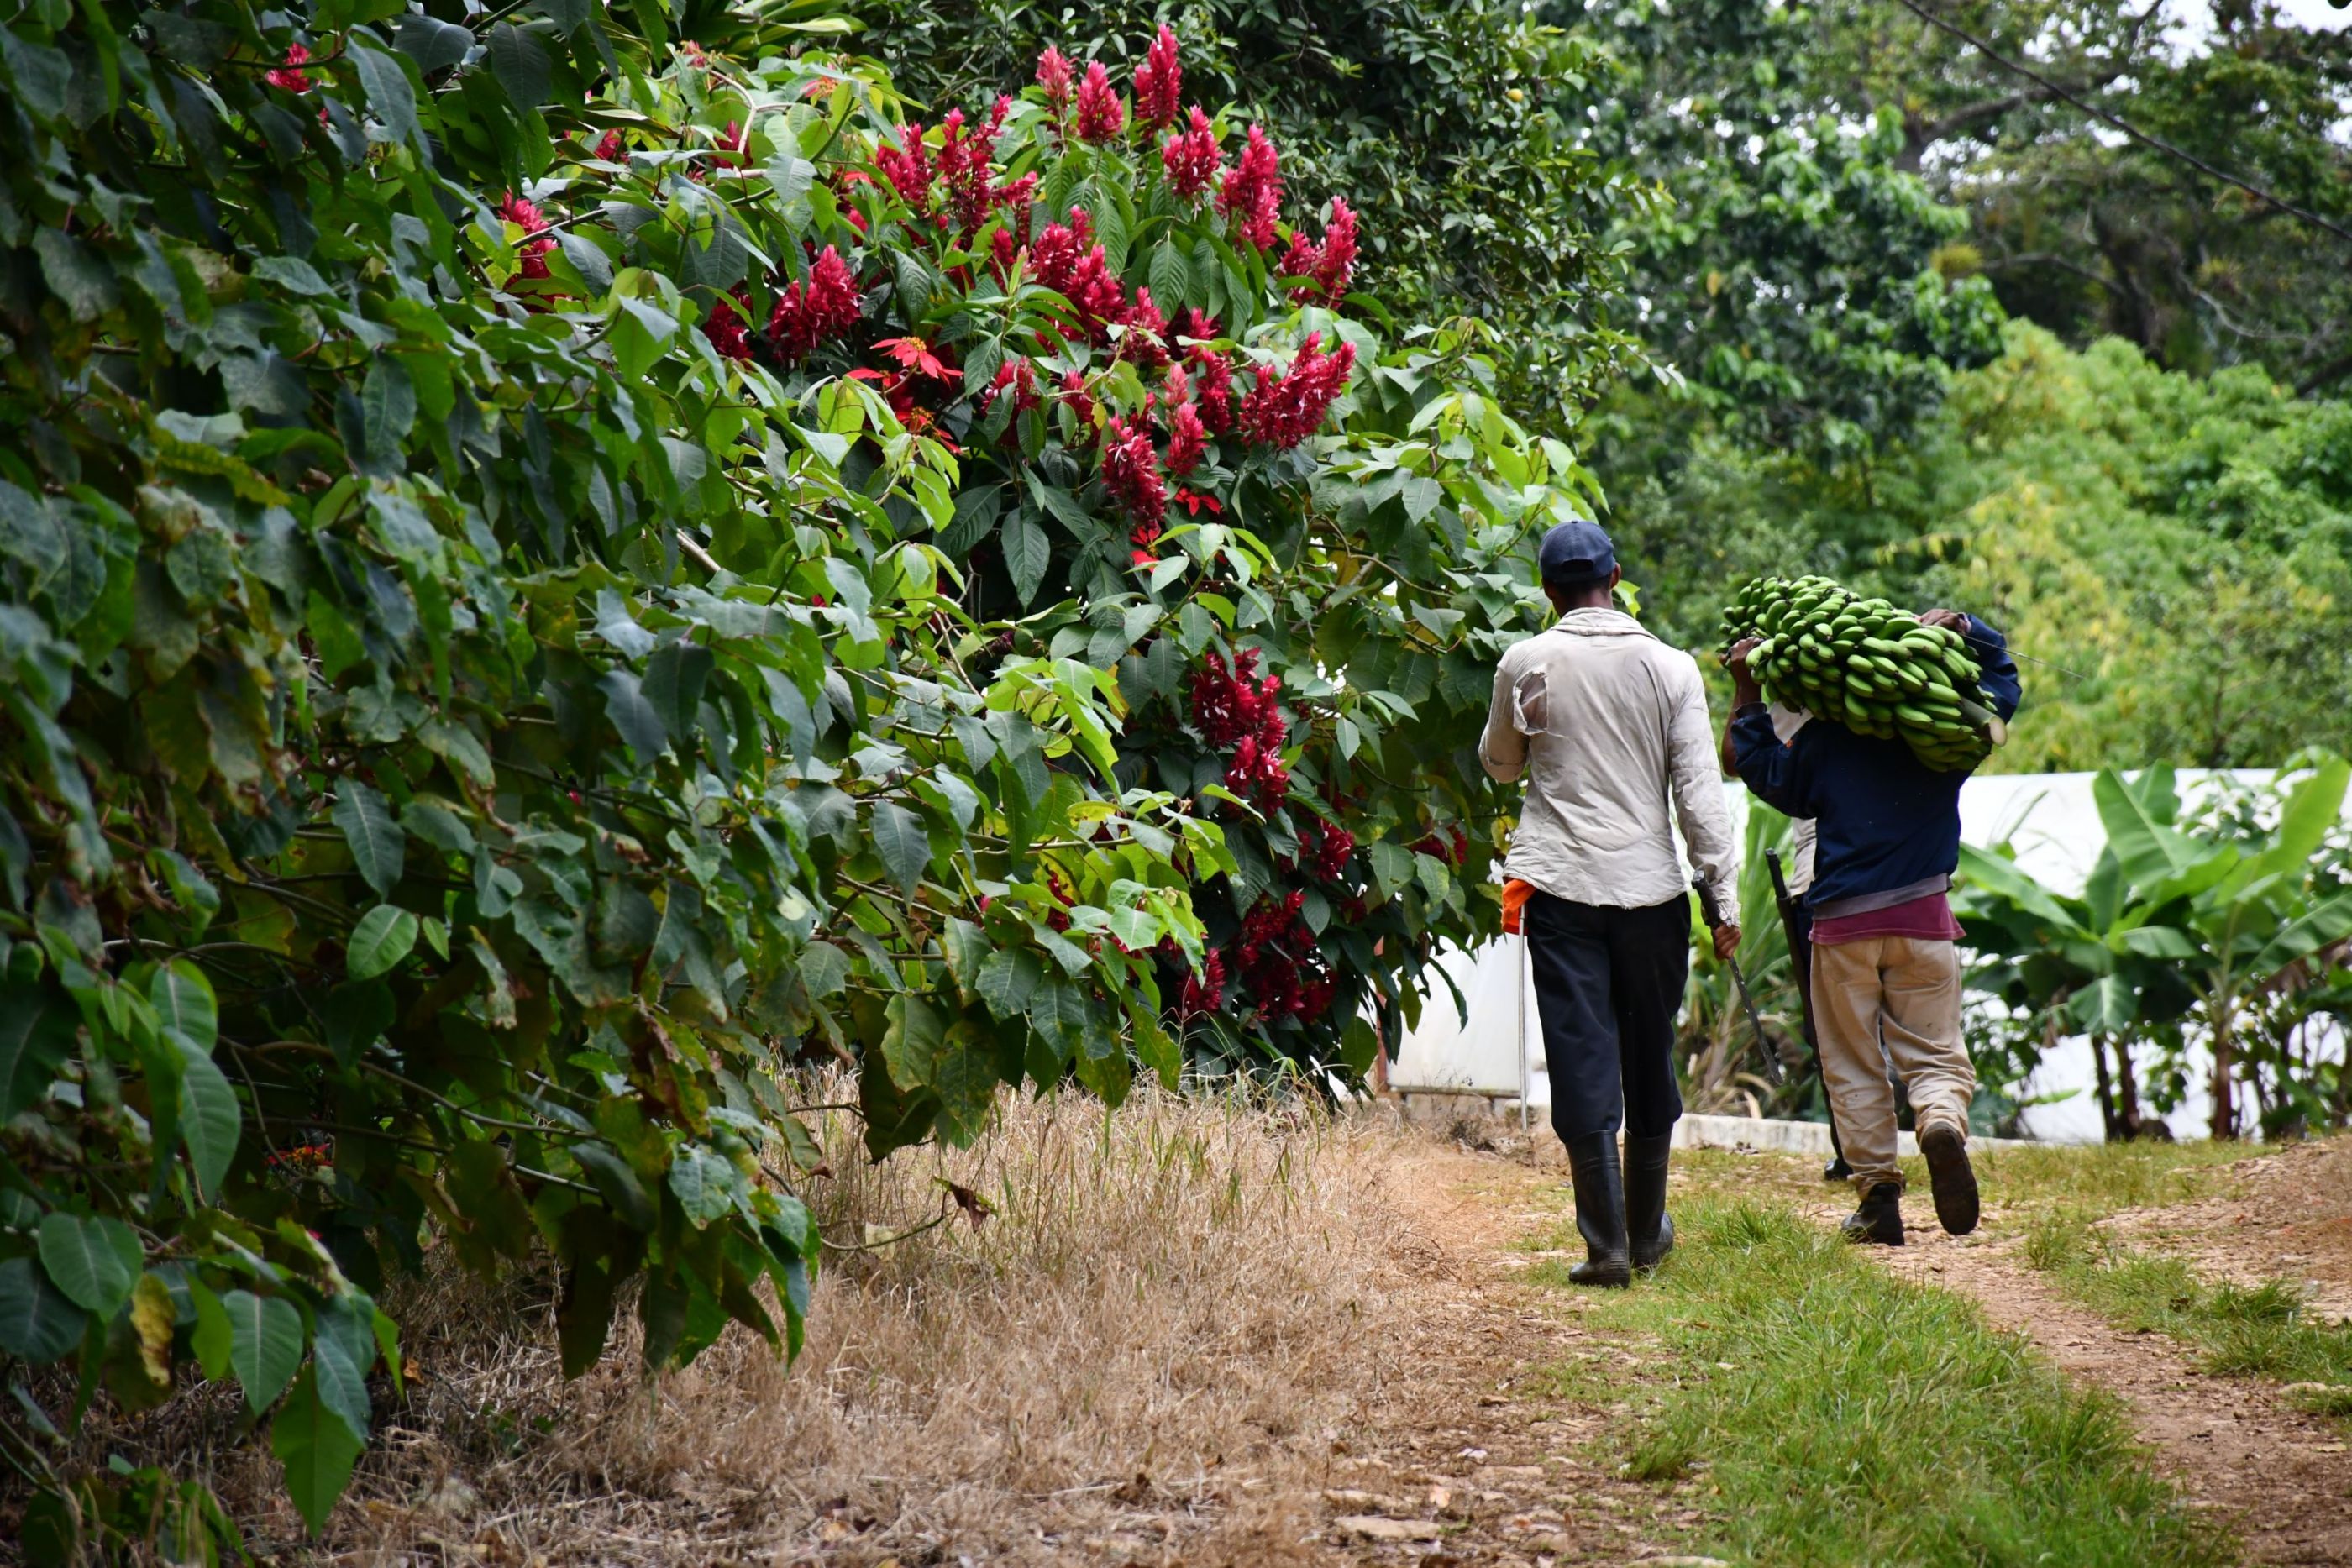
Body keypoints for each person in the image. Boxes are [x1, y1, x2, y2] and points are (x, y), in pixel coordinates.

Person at [1482, 520, 1741, 1288]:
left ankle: (1608, 1248)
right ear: (1617, 574)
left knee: (1580, 1054)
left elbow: (1500, 765)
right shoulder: (1671, 668)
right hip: (1652, 893)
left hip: (1561, 892)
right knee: (1646, 1051)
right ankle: (1647, 1233)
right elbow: (1699, 796)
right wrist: (1722, 901)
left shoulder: (1526, 661)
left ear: (1548, 590)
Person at [1725, 609, 2023, 1245]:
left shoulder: (1827, 740)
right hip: (1924, 918)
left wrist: (1749, 688)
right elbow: (2005, 689)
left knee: (1853, 1062)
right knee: (1936, 1052)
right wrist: (1971, 630)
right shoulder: (1946, 733)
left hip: (1843, 925)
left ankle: (1878, 1198)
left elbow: (1760, 770)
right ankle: (1939, 1119)